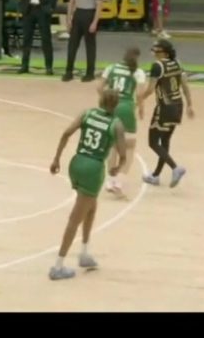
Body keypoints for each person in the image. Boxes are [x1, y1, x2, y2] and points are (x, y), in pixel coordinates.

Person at [49, 89, 127, 280]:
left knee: (91, 207)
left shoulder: (87, 114)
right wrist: (117, 168)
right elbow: (123, 155)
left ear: (100, 100)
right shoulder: (116, 124)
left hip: (76, 163)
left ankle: (84, 253)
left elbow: (66, 133)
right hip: (93, 169)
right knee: (75, 219)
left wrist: (56, 158)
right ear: (116, 104)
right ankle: (58, 265)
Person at [137, 39, 194, 188]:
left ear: (164, 52)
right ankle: (155, 176)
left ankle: (175, 168)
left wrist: (139, 99)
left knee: (153, 142)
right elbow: (185, 85)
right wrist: (190, 104)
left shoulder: (158, 66)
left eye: (157, 49)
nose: (154, 52)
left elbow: (150, 89)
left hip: (164, 107)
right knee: (165, 141)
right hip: (178, 105)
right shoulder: (178, 63)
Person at [97, 47, 146, 196]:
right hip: (126, 108)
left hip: (111, 107)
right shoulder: (138, 72)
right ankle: (119, 181)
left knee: (112, 145)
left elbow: (99, 87)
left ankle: (109, 181)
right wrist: (141, 108)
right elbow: (139, 94)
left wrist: (107, 100)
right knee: (129, 147)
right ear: (137, 57)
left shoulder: (111, 68)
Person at [62, 0, 102, 82]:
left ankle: (90, 73)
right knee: (72, 45)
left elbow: (99, 6)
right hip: (78, 14)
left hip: (89, 14)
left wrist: (95, 22)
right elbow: (71, 2)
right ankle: (68, 71)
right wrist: (68, 18)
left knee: (90, 46)